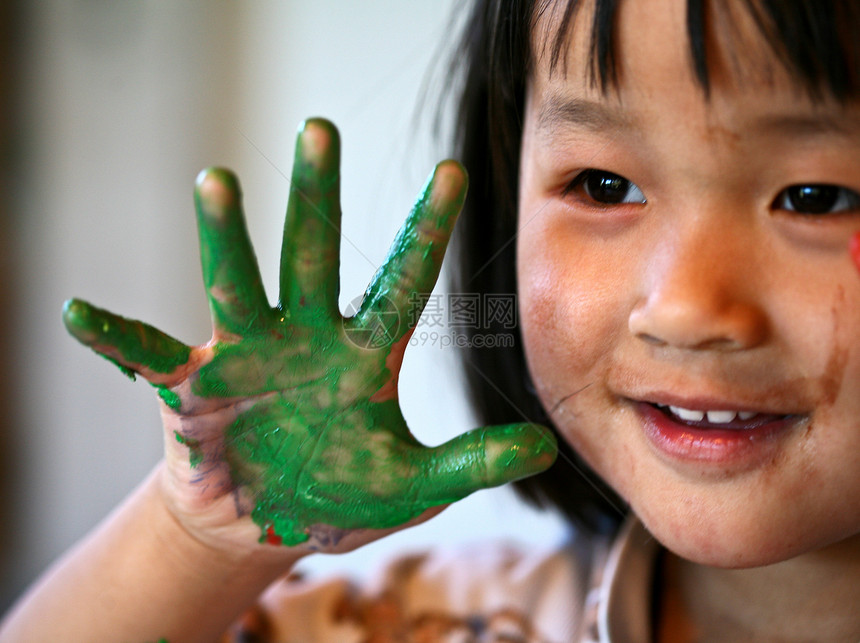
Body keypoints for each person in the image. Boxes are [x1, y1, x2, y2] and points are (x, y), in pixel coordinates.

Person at [2, 0, 859, 640]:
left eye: (817, 198)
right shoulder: (429, 622)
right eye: (603, 184)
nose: (684, 309)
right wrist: (204, 539)